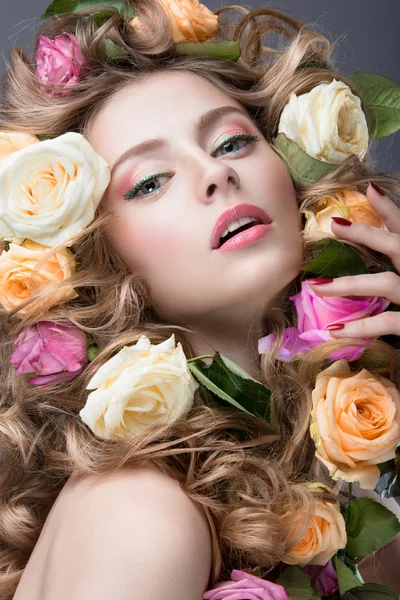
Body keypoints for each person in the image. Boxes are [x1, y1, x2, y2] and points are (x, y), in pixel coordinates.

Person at [0, 1, 398, 599]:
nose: (214, 174)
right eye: (151, 181)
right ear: (95, 258)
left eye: (233, 142)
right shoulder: (139, 511)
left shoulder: (325, 491)